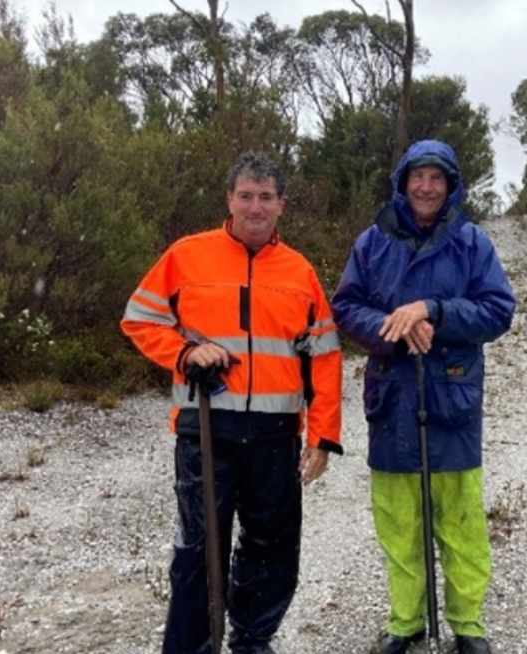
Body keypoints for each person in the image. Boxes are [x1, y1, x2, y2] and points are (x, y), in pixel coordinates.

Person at [121, 152, 343, 654]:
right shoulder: (186, 255)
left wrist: (323, 437)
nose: (255, 207)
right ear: (229, 200)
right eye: (246, 195)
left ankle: (251, 641)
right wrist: (184, 351)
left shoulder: (300, 272)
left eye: (266, 197)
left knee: (272, 549)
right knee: (200, 549)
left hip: (275, 435)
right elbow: (139, 319)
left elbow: (325, 358)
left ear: (281, 205)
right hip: (205, 431)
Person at [331, 139, 515, 654]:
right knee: (398, 524)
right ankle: (405, 621)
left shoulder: (473, 242)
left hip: (452, 398)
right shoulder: (372, 242)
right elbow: (346, 308)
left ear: (451, 185)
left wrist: (432, 310)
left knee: (461, 523)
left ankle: (468, 624)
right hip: (392, 400)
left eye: (437, 178)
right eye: (419, 177)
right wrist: (396, 326)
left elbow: (498, 310)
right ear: (403, 181)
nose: (427, 187)